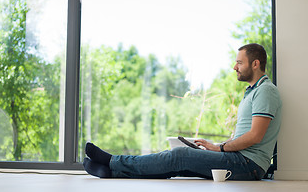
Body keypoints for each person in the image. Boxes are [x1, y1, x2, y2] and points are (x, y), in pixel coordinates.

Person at [83, 43, 282, 180]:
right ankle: (112, 172)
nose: (234, 67)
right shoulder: (253, 92)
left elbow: (255, 136)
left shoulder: (266, 91)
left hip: (249, 165)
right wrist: (217, 146)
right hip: (241, 159)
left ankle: (113, 161)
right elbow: (247, 135)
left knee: (180, 156)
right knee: (180, 164)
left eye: (239, 62)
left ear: (255, 64)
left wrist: (220, 148)